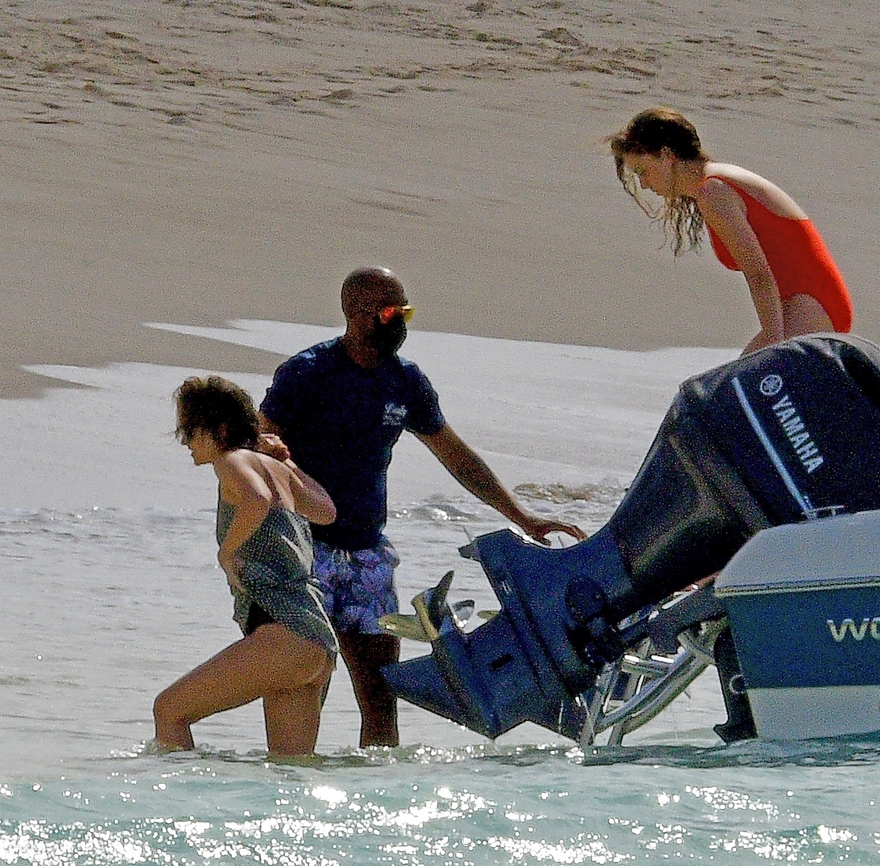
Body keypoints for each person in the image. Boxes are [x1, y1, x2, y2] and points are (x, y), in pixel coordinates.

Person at [259, 266, 587, 748]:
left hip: (367, 556)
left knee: (380, 693)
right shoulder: (307, 374)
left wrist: (521, 517)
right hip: (306, 553)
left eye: (405, 311)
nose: (401, 322)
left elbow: (456, 455)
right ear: (356, 314)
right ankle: (294, 784)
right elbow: (257, 443)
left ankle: (378, 799)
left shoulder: (405, 381)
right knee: (307, 684)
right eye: (391, 312)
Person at [153, 375, 338, 757]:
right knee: (290, 775)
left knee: (170, 711)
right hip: (315, 642)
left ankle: (175, 811)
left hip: (283, 633)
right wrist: (287, 462)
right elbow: (326, 511)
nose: (185, 441)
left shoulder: (231, 459)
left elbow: (256, 497)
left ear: (219, 429)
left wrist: (227, 551)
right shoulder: (276, 467)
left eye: (189, 430)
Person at [608, 106, 854, 354]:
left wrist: (772, 340)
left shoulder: (713, 192)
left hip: (813, 304)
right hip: (805, 306)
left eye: (642, 171)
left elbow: (759, 274)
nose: (643, 183)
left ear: (666, 155)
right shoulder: (713, 183)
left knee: (741, 384)